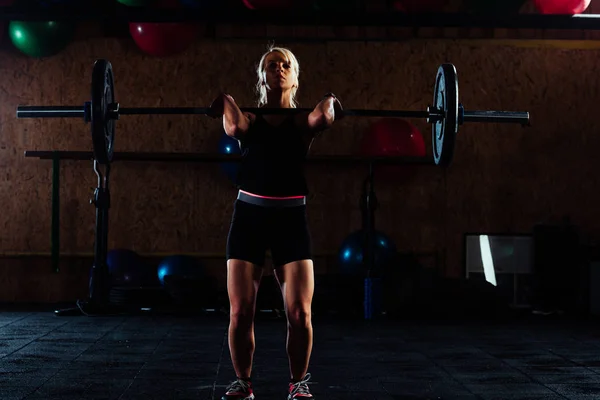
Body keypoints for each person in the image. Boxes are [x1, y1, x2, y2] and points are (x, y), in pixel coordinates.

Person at [208, 45, 343, 400]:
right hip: (249, 216)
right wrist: (225, 99)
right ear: (262, 75)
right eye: (271, 64)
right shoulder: (248, 118)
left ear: (295, 77)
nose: (279, 69)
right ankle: (243, 383)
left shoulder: (302, 122)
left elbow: (324, 118)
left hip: (290, 218)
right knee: (240, 310)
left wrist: (330, 98)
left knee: (299, 313)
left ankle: (298, 384)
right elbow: (233, 125)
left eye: (286, 65)